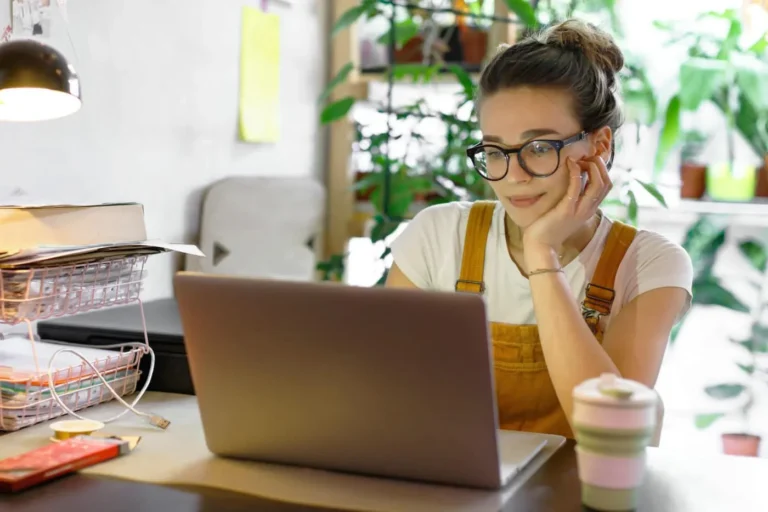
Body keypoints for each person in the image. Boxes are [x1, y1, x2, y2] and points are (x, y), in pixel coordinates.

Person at [386, 19, 693, 439]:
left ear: (599, 146)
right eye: (495, 151)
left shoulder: (650, 265)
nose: (513, 175)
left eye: (539, 148)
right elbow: (385, 394)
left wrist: (542, 255)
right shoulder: (439, 234)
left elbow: (613, 431)